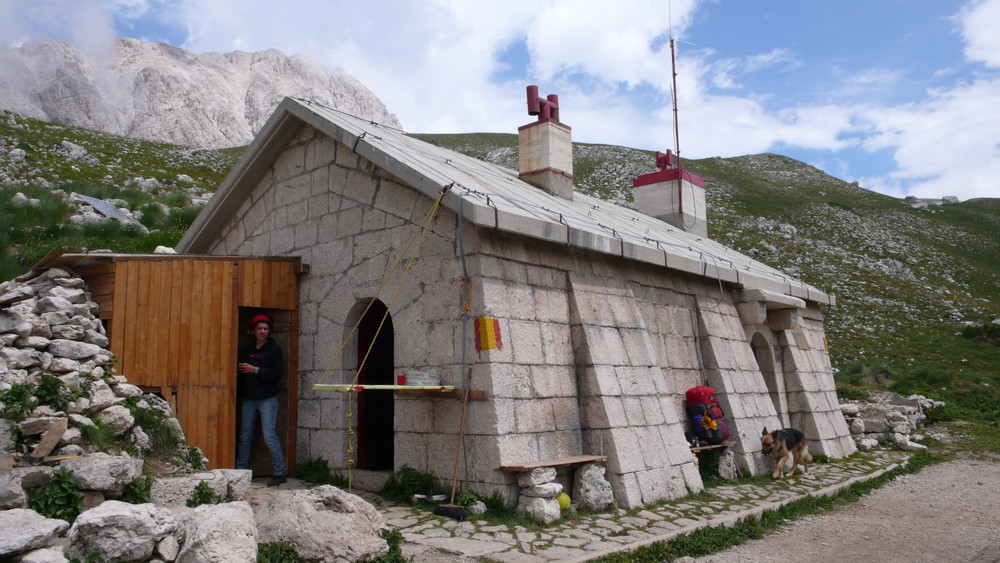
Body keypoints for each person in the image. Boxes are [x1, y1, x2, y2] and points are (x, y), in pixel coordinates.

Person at [236, 313, 287, 486]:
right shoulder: (248, 350)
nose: (263, 331)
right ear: (254, 330)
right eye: (259, 328)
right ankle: (241, 471)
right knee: (245, 436)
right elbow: (240, 373)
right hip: (249, 398)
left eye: (265, 329)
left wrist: (256, 370)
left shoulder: (274, 349)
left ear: (269, 331)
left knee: (269, 436)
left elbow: (277, 373)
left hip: (267, 398)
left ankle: (280, 473)